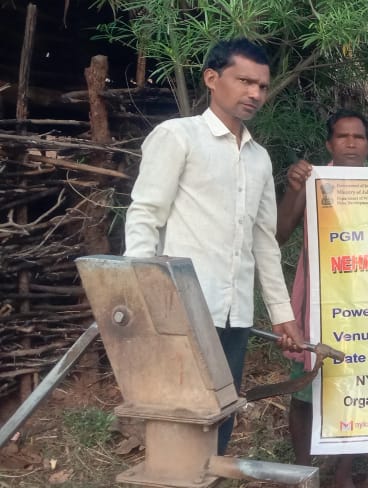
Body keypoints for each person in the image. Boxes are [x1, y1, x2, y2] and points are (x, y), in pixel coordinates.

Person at [123, 38, 304, 455]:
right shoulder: (178, 137)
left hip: (234, 314)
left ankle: (209, 476)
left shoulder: (259, 158)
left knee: (221, 414)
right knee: (178, 416)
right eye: (244, 81)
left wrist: (281, 314)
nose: (255, 93)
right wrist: (144, 294)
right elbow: (145, 214)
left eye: (261, 85)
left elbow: (264, 242)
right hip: (181, 311)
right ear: (211, 79)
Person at [277, 109, 368, 487]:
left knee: (361, 385)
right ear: (330, 143)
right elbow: (281, 233)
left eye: (358, 137)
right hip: (318, 303)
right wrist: (294, 189)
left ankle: (343, 472)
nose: (351, 143)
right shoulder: (314, 181)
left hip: (367, 305)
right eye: (342, 136)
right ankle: (304, 469)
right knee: (305, 387)